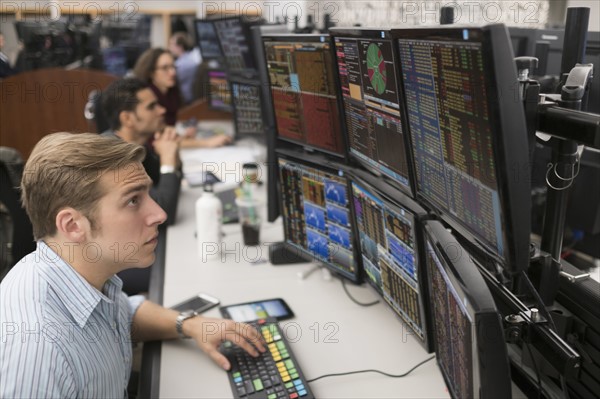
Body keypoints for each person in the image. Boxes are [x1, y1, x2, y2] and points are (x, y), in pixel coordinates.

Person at [0, 132, 265, 397]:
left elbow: (123, 314)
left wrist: (190, 325)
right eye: (133, 200)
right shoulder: (41, 351)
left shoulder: (81, 272)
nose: (159, 214)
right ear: (72, 226)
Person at [101, 77, 181, 226]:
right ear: (127, 119)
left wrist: (172, 153)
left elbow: (165, 185)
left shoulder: (135, 146)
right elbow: (163, 214)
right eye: (152, 107)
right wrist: (168, 161)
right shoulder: (114, 157)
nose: (162, 110)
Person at [133, 48, 232, 148]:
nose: (172, 72)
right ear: (151, 73)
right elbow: (155, 141)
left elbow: (166, 134)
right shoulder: (147, 99)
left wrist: (181, 137)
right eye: (165, 68)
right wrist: (206, 143)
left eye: (173, 67)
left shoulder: (172, 93)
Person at [168, 31, 202, 105]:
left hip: (186, 102)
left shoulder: (182, 64)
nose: (169, 47)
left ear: (180, 46)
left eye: (172, 44)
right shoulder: (190, 59)